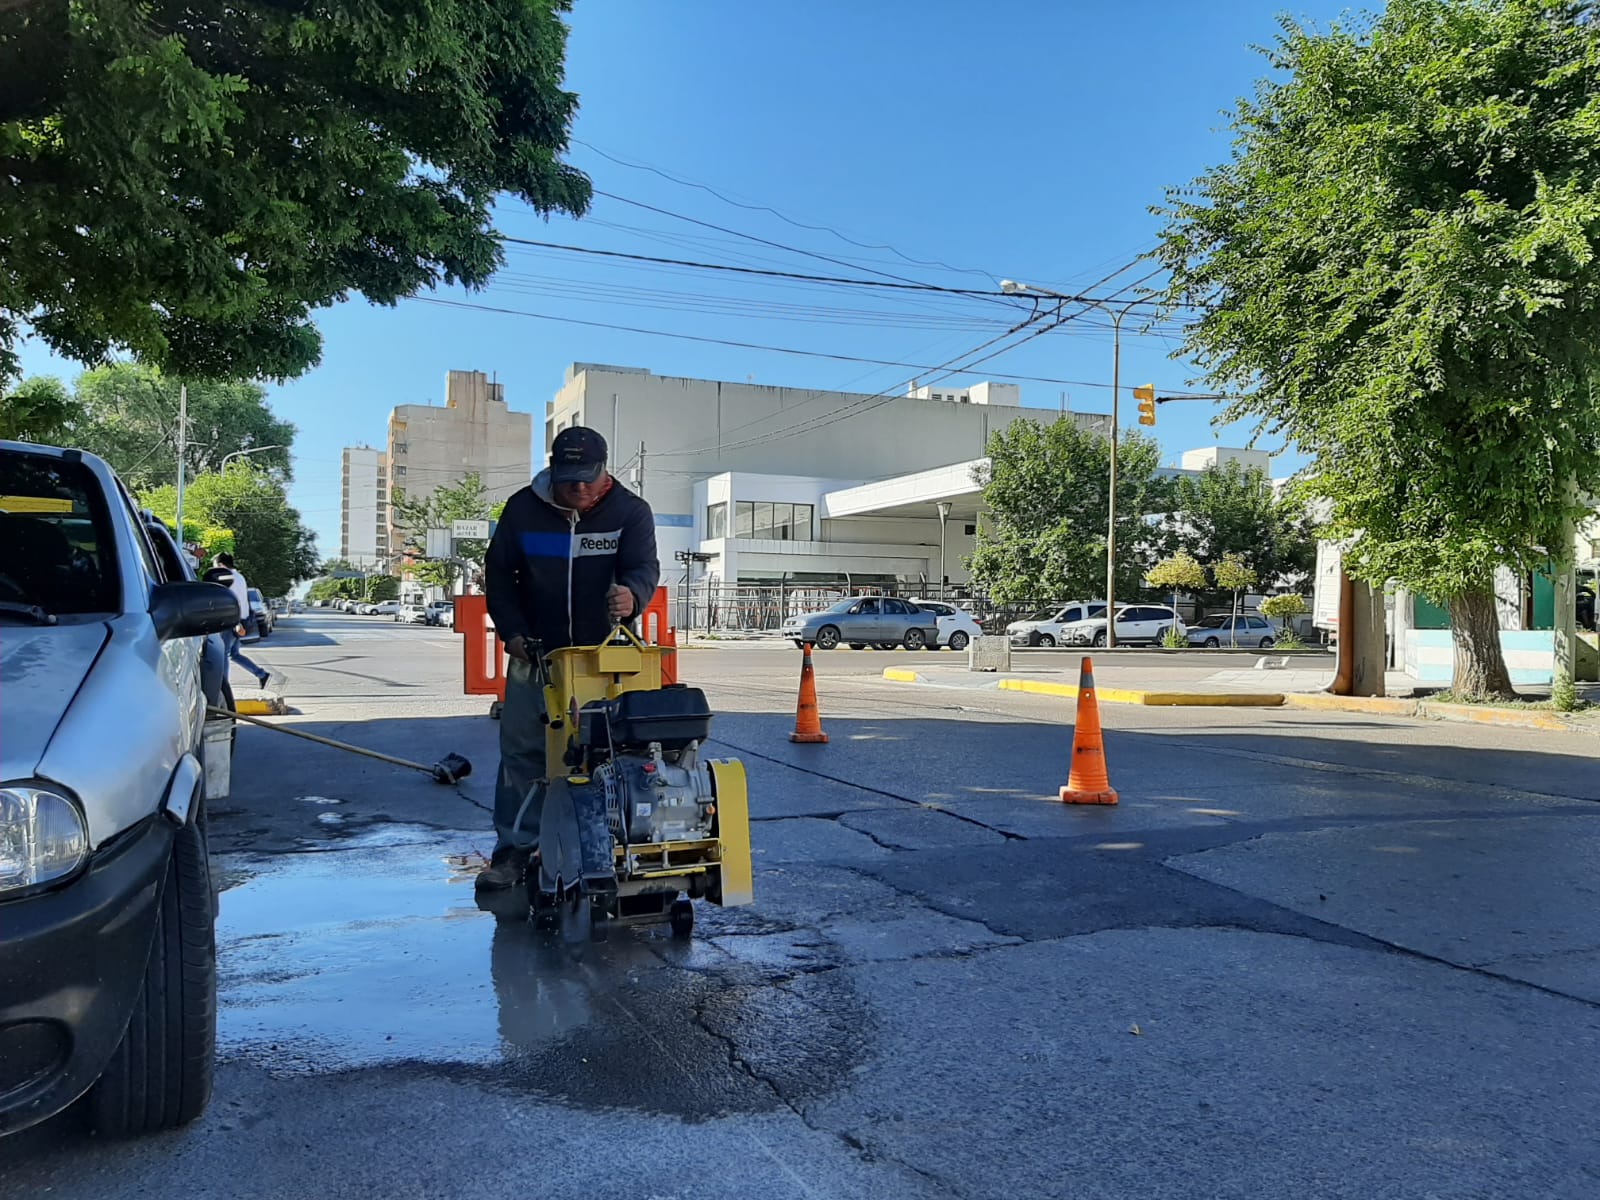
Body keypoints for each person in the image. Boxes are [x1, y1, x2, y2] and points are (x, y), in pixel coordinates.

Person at [477, 426, 659, 890]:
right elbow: (499, 576)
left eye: (587, 476)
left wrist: (633, 595)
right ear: (552, 470)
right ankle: (515, 851)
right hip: (537, 654)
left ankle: (616, 846)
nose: (578, 486)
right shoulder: (522, 510)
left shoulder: (631, 512)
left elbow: (644, 568)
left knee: (616, 752)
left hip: (606, 657)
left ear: (605, 471)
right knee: (524, 754)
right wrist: (512, 632)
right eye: (568, 476)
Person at [203, 552, 287, 692]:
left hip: (231, 621)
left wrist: (234, 622)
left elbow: (231, 601)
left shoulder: (226, 578)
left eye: (215, 566)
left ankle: (223, 688)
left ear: (221, 565)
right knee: (233, 654)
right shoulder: (239, 577)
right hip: (241, 619)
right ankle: (261, 674)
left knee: (223, 654)